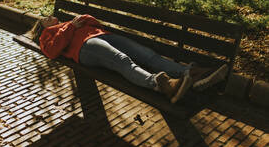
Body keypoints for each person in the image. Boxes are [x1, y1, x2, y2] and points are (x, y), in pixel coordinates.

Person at [29, 14, 228, 103]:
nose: (49, 17)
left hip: (103, 36)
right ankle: (162, 85)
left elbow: (92, 20)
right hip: (85, 48)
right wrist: (71, 27)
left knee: (147, 55)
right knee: (122, 60)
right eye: (45, 19)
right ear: (42, 28)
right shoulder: (48, 35)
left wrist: (76, 22)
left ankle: (190, 74)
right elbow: (53, 51)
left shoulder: (66, 23)